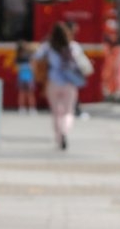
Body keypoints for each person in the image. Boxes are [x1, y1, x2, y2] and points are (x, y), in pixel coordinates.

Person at [33, 21, 86, 150]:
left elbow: (36, 57)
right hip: (69, 83)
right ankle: (65, 132)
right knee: (68, 111)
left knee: (56, 112)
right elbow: (81, 62)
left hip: (53, 83)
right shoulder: (73, 46)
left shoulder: (48, 46)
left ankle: (58, 136)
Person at [15, 40, 36, 114]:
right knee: (23, 93)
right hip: (23, 77)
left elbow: (33, 66)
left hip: (28, 77)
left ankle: (31, 108)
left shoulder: (29, 56)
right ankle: (23, 108)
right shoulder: (19, 57)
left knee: (28, 93)